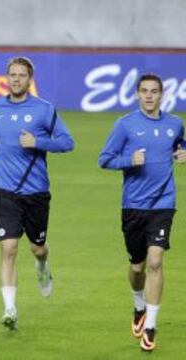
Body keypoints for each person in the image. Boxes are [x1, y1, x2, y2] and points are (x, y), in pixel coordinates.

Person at [0, 57, 75, 330]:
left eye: (21, 75)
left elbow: (67, 142)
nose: (16, 79)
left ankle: (42, 267)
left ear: (30, 80)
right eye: (12, 75)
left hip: (36, 192)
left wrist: (38, 142)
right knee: (8, 248)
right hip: (5, 190)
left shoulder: (44, 110)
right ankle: (9, 309)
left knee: (37, 247)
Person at [98, 73, 186, 352]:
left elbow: (180, 144)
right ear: (137, 95)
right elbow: (104, 159)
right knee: (137, 266)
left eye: (154, 91)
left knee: (156, 261)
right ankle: (138, 306)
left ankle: (150, 327)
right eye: (144, 91)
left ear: (162, 95)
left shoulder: (175, 124)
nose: (149, 96)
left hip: (163, 204)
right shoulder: (125, 125)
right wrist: (129, 161)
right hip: (133, 206)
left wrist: (184, 152)